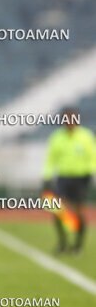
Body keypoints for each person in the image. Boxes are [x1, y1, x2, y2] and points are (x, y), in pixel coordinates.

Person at [43, 108, 95, 255]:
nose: (70, 122)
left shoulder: (86, 136)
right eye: (67, 119)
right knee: (56, 210)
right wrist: (47, 177)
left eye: (73, 119)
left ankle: (78, 245)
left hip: (81, 178)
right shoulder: (57, 137)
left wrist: (90, 172)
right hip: (63, 178)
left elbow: (93, 156)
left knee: (78, 212)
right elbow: (50, 159)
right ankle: (63, 242)